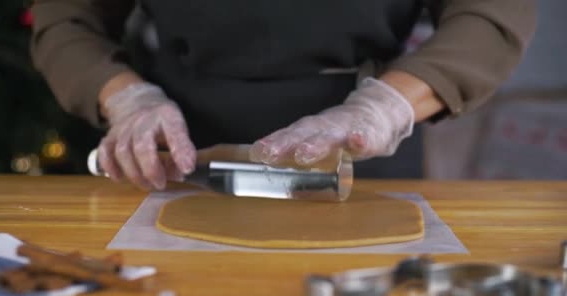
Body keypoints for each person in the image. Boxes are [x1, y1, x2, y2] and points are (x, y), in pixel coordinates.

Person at [31, 0, 536, 190]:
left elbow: (492, 15)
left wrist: (384, 107)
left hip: (362, 166)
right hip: (175, 167)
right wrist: (127, 100)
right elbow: (67, 20)